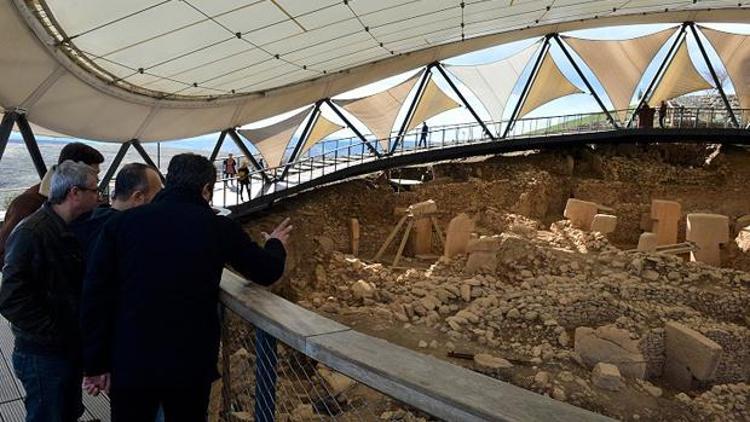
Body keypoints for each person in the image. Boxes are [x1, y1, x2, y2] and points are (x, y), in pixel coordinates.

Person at [80, 153, 292, 420]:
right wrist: (275, 244)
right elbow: (266, 271)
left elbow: (95, 296)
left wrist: (95, 364)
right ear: (205, 189)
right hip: (189, 363)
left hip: (131, 359)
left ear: (170, 181)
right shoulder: (218, 227)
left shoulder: (120, 224)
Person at [0, 161, 101, 421]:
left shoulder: (63, 227)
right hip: (43, 354)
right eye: (94, 190)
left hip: (59, 350)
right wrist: (56, 331)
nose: (99, 195)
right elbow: (11, 299)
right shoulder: (33, 232)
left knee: (65, 412)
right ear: (74, 193)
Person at [0, 142, 104, 268]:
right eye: (94, 174)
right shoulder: (27, 205)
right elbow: (6, 256)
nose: (97, 180)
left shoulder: (77, 207)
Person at [72, 163, 163, 257]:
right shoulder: (128, 235)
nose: (161, 202)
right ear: (138, 197)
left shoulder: (88, 223)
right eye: (157, 196)